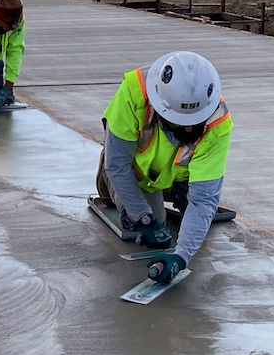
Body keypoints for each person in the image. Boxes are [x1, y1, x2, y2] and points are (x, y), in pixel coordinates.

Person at [95, 51, 232, 285]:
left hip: (178, 172)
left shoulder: (218, 123)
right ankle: (110, 186)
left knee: (197, 218)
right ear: (161, 108)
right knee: (150, 222)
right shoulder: (134, 92)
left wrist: (181, 257)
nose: (189, 131)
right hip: (133, 168)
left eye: (194, 122)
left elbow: (203, 200)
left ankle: (174, 191)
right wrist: (143, 218)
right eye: (181, 123)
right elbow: (118, 165)